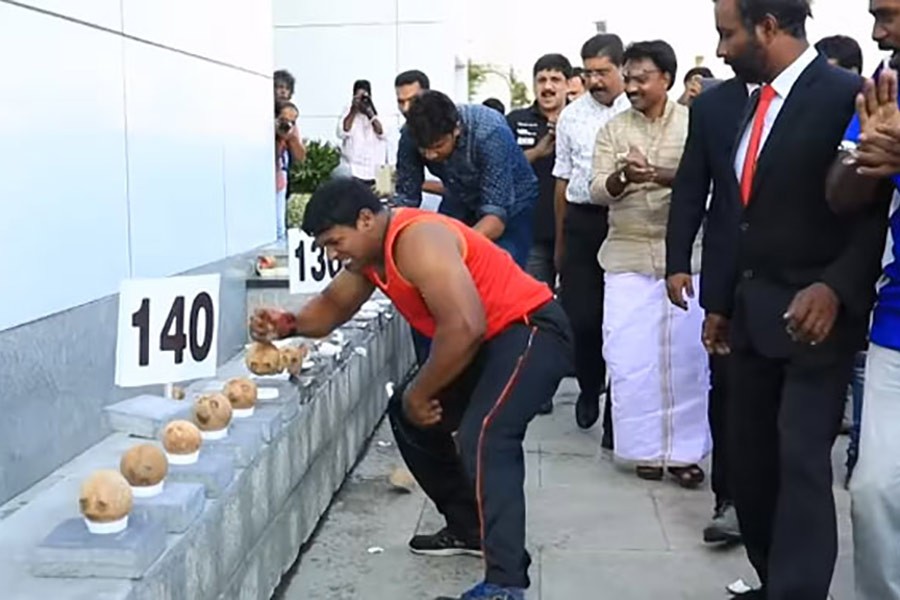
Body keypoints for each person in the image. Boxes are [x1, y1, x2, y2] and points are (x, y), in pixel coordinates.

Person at [249, 178, 573, 600]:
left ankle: (506, 583)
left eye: (334, 241)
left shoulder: (417, 239)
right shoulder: (370, 258)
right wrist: (287, 324)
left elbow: (464, 326)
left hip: (531, 329)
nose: (332, 254)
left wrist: (421, 392)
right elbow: (331, 307)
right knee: (407, 416)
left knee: (486, 434)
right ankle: (469, 528)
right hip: (489, 341)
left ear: (366, 220)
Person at [707, 0, 887, 598]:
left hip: (818, 322)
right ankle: (773, 581)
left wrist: (836, 286)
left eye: (727, 35)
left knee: (803, 466)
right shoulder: (745, 103)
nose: (720, 50)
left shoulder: (847, 95)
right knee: (751, 471)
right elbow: (739, 214)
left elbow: (873, 216)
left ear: (768, 27)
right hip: (753, 319)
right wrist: (720, 302)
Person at [590, 39, 711, 487]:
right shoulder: (613, 129)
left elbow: (709, 184)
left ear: (667, 79)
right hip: (626, 255)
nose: (633, 86)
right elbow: (597, 189)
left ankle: (683, 455)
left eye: (642, 78)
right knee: (629, 357)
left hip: (685, 258)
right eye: (630, 78)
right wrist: (624, 176)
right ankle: (642, 448)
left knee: (685, 358)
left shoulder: (695, 124)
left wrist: (657, 175)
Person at [824, 3, 900, 595]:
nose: (878, 32)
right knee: (874, 491)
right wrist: (865, 158)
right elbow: (840, 195)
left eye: (891, 15)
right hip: (895, 328)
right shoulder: (886, 93)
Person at [666, 45, 751, 550]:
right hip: (727, 275)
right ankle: (731, 499)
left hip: (801, 281)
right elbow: (693, 187)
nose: (720, 48)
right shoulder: (714, 107)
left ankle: (775, 500)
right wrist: (678, 260)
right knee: (729, 389)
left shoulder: (830, 96)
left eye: (729, 32)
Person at [553, 33, 628, 434]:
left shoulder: (637, 109)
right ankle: (588, 385)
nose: (595, 80)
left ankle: (620, 409)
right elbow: (562, 181)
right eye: (588, 73)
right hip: (583, 221)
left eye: (603, 72)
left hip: (626, 219)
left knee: (623, 319)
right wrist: (561, 245)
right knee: (583, 318)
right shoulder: (571, 116)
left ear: (621, 67)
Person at [394, 90, 539, 269]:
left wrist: (452, 251)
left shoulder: (490, 133)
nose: (430, 155)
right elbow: (405, 200)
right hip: (459, 194)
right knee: (434, 257)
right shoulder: (410, 134)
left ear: (456, 129)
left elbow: (495, 218)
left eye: (438, 146)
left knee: (498, 268)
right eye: (423, 150)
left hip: (513, 202)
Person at [507, 53, 572, 289]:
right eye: (541, 80)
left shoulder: (581, 119)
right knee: (535, 305)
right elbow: (501, 168)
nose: (547, 86)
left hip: (574, 231)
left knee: (577, 306)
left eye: (555, 79)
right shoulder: (515, 120)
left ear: (568, 84)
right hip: (530, 232)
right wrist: (536, 152)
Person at [337, 80, 388, 188]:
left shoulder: (379, 110)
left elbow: (382, 133)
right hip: (353, 169)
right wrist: (353, 111)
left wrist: (370, 114)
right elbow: (342, 132)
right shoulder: (348, 110)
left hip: (376, 169)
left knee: (380, 201)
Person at [275, 100, 306, 241]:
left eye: (292, 121)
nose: (286, 124)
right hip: (262, 183)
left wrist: (291, 138)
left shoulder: (290, 132)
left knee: (279, 228)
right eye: (283, 119)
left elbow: (300, 158)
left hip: (279, 182)